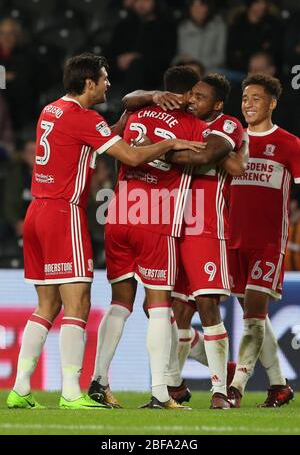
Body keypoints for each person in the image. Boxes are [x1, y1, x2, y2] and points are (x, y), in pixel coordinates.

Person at [6, 53, 199, 410]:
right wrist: (169, 143)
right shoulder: (85, 118)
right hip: (65, 212)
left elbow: (91, 143)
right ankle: (70, 393)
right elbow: (133, 157)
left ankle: (19, 389)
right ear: (89, 83)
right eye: (105, 78)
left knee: (46, 305)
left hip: (37, 211)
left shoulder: (51, 110)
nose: (109, 84)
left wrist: (123, 121)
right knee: (78, 303)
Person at [88, 66, 236, 410]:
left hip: (119, 213)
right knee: (158, 309)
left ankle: (99, 380)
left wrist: (143, 140)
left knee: (120, 304)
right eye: (194, 95)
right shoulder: (195, 126)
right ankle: (159, 392)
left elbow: (116, 127)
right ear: (185, 96)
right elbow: (205, 157)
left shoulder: (136, 110)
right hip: (156, 220)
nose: (196, 100)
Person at [164, 74, 246, 409]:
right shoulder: (184, 122)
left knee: (208, 306)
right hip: (173, 226)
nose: (192, 100)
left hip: (207, 229)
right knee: (173, 312)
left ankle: (219, 392)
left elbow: (204, 157)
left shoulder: (228, 125)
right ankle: (174, 386)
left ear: (217, 104)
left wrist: (163, 151)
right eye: (191, 95)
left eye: (200, 97)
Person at [227, 73, 299, 408]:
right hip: (232, 240)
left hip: (269, 242)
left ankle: (236, 387)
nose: (248, 104)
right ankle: (279, 386)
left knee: (254, 315)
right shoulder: (231, 140)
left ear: (272, 103)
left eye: (256, 98)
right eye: (245, 98)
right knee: (258, 318)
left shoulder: (289, 144)